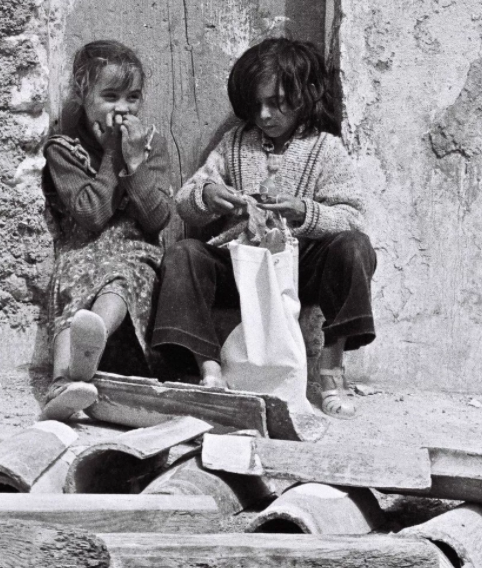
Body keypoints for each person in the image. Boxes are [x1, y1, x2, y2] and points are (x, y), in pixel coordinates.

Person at [151, 37, 376, 418]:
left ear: (306, 94)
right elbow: (186, 200)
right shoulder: (235, 143)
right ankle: (209, 369)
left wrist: (304, 211)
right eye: (256, 105)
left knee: (354, 246)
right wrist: (210, 196)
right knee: (184, 254)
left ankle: (332, 370)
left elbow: (352, 214)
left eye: (277, 102)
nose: (265, 115)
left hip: (299, 268)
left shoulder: (325, 148)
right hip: (241, 268)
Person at [40, 39, 171, 420]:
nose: (122, 109)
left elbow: (158, 218)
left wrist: (133, 163)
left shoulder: (150, 146)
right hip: (83, 246)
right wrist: (113, 155)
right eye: (110, 96)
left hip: (133, 247)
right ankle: (63, 382)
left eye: (132, 98)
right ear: (83, 96)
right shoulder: (63, 150)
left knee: (121, 275)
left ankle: (91, 341)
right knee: (72, 278)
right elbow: (92, 215)